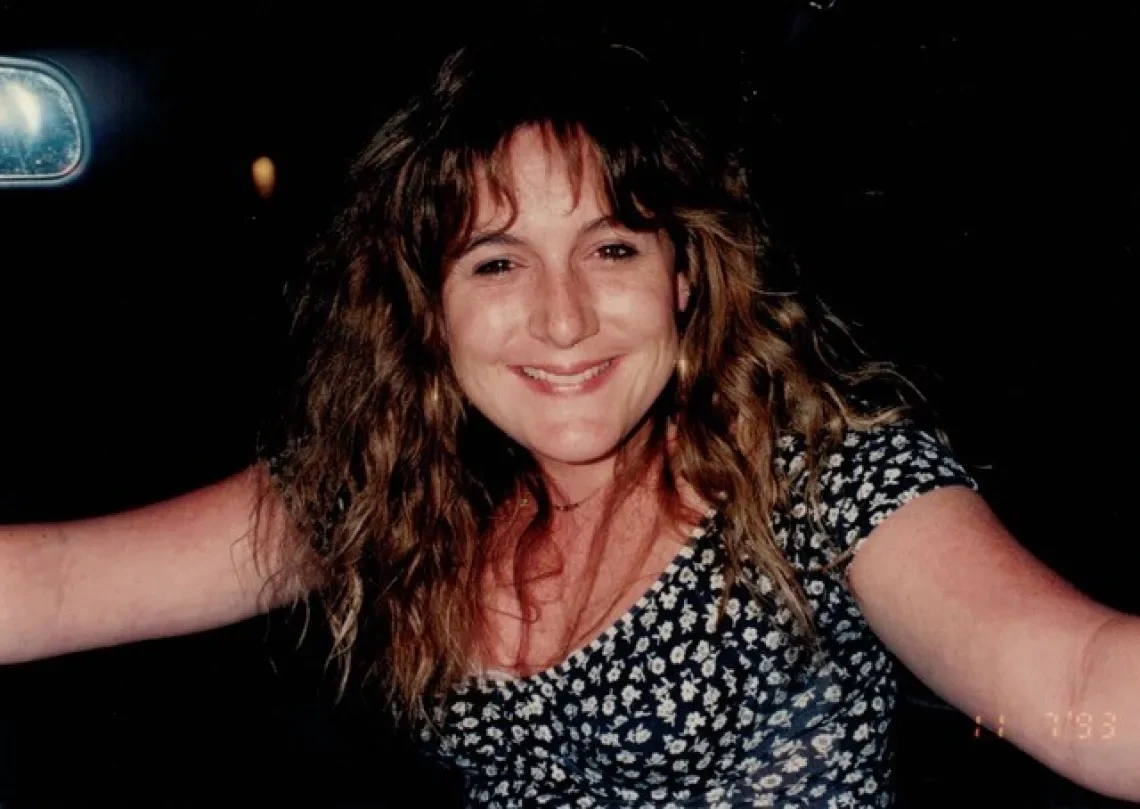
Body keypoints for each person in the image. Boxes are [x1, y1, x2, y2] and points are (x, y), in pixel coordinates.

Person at [2, 33, 1138, 808]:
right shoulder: (394, 488)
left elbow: (1085, 686)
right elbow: (50, 583)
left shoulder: (817, 479)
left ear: (683, 276)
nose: (563, 318)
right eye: (497, 261)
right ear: (429, 305)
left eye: (611, 248)